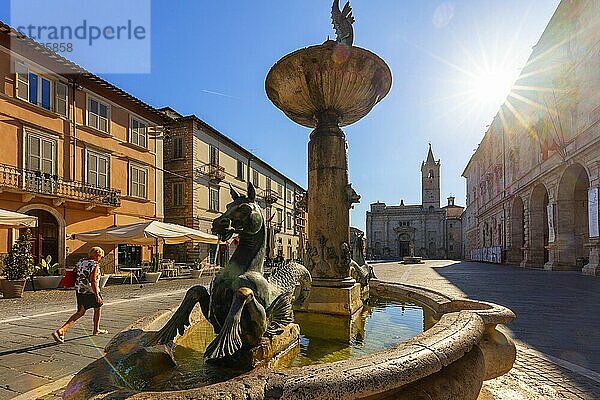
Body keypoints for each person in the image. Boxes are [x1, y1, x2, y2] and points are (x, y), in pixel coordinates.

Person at [53, 247, 108, 343]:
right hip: (90, 291)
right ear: (97, 256)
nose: (100, 258)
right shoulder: (94, 264)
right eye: (100, 257)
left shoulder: (80, 262)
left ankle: (62, 330)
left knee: (80, 312)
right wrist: (97, 295)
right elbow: (93, 280)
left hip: (80, 290)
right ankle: (95, 330)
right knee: (98, 307)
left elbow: (74, 272)